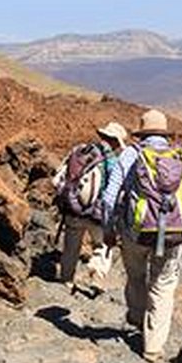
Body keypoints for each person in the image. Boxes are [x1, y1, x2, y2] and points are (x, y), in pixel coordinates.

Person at [101, 109, 182, 362]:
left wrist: (108, 230)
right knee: (162, 287)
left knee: (136, 276)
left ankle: (139, 317)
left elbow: (109, 199)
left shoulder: (131, 154)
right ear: (164, 133)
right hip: (174, 233)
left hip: (135, 233)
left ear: (141, 132)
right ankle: (152, 346)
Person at [52, 121, 128, 292]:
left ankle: (66, 281)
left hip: (73, 208)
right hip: (97, 214)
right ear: (116, 141)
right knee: (102, 246)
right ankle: (96, 277)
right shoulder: (112, 161)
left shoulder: (80, 151)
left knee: (71, 247)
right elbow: (114, 190)